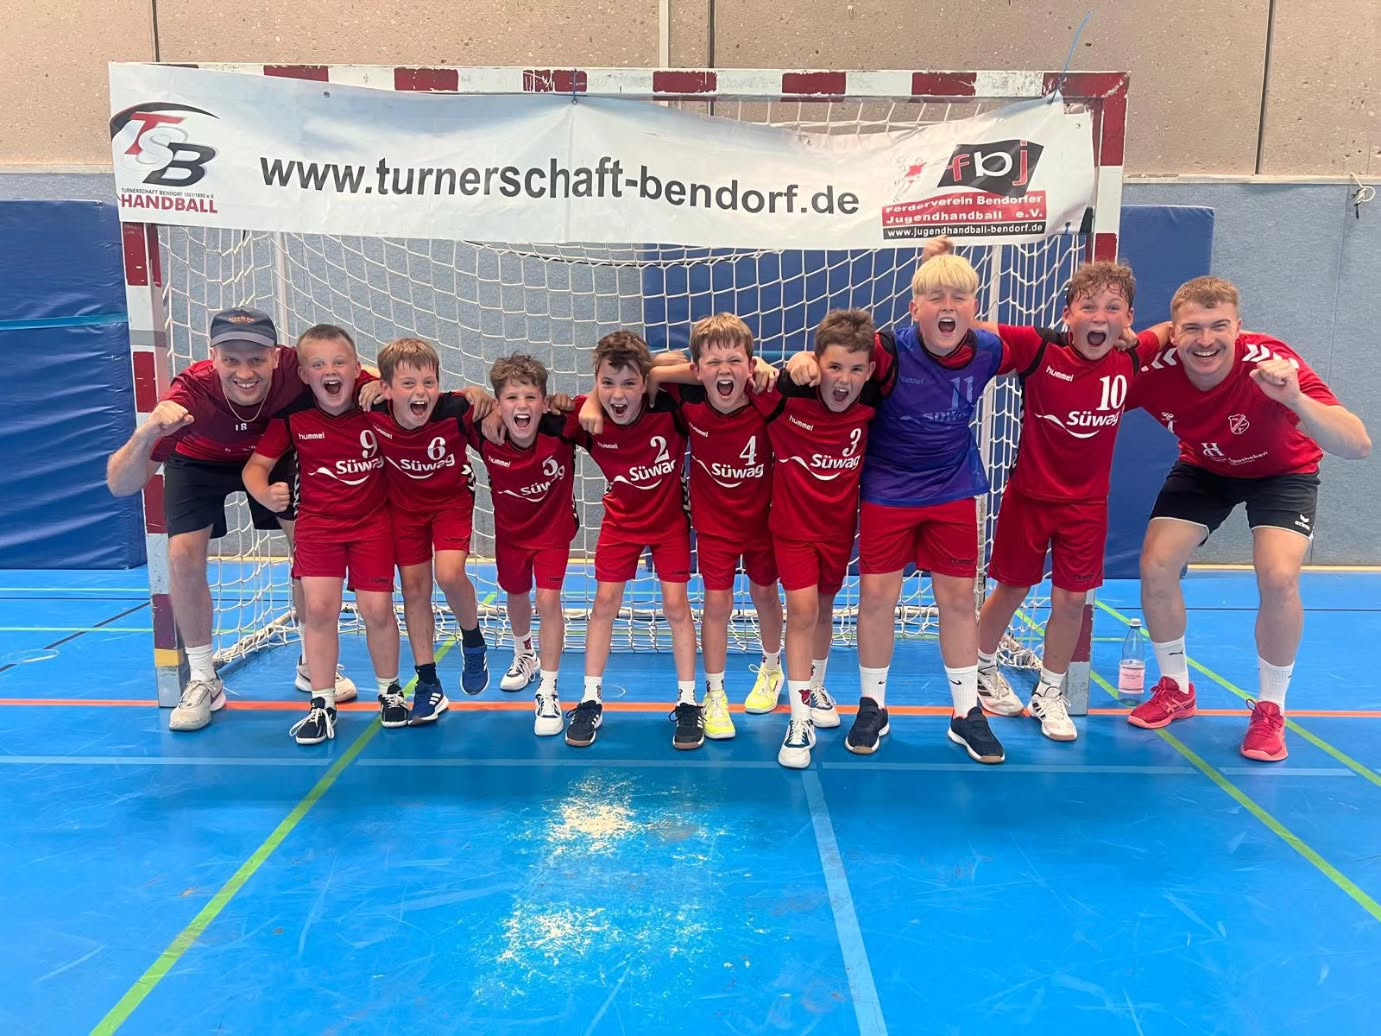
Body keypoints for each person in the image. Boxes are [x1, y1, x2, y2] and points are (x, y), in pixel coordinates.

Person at [1126, 276, 1371, 761]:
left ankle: (1271, 708)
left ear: (1238, 327)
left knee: (1278, 576)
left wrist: (1294, 398)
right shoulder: (1155, 370)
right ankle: (1176, 687)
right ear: (1174, 332)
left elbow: (1357, 444)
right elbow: (1093, 389)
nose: (1206, 340)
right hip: (1206, 466)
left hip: (1283, 472)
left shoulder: (1269, 363)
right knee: (1156, 565)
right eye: (1192, 328)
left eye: (1219, 326)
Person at [788, 253, 1008, 764]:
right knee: (876, 598)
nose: (947, 308)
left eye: (958, 299)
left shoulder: (992, 349)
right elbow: (839, 356)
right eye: (935, 298)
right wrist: (802, 358)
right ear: (914, 308)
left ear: (974, 309)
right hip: (888, 488)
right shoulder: (888, 351)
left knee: (958, 599)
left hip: (952, 487)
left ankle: (966, 711)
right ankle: (873, 705)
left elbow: (1056, 344)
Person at [105, 307, 359, 732]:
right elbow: (120, 484)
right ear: (213, 357)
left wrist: (461, 399)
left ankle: (312, 662)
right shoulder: (190, 397)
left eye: (256, 359)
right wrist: (147, 432)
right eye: (231, 360)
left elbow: (363, 372)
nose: (245, 372)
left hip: (272, 456)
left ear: (277, 357)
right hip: (198, 460)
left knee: (310, 545)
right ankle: (204, 677)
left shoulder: (298, 369)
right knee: (182, 555)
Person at [973, 259, 1159, 741]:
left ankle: (1049, 692)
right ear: (1068, 314)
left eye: (1113, 308)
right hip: (1030, 497)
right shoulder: (1039, 348)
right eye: (1088, 306)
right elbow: (976, 328)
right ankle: (981, 668)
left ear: (1128, 319)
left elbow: (1172, 331)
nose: (1100, 317)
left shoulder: (1132, 358)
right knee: (1012, 589)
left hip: (1088, 506)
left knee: (1073, 599)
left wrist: (1139, 337)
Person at [590, 314, 785, 741]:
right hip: (714, 525)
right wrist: (592, 400)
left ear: (751, 366)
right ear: (697, 371)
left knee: (766, 595)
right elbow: (646, 370)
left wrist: (769, 364)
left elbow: (802, 371)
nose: (724, 371)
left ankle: (772, 669)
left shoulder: (765, 395)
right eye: (712, 363)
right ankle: (715, 694)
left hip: (763, 523)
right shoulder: (687, 400)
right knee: (717, 605)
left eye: (735, 361)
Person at [243, 325, 406, 745]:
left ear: (357, 369)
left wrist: (387, 387)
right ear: (303, 374)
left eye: (339, 362)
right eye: (318, 364)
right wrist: (264, 493)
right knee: (318, 610)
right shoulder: (294, 418)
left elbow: (423, 393)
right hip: (319, 527)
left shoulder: (379, 406)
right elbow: (255, 468)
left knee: (377, 610)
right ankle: (322, 702)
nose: (329, 371)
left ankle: (390, 692)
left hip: (372, 525)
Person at [752, 309, 884, 769]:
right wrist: (780, 364)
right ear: (817, 363)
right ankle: (799, 716)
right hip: (792, 531)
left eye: (855, 369)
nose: (843, 379)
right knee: (803, 610)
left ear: (869, 371)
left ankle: (814, 686)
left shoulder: (872, 405)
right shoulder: (787, 401)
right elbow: (731, 371)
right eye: (834, 367)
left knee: (824, 609)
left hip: (838, 532)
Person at [563, 332, 698, 750]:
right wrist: (589, 401)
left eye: (629, 383)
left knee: (676, 606)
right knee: (604, 603)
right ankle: (590, 698)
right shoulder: (588, 420)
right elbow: (532, 412)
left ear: (646, 383)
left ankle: (689, 700)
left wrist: (654, 371)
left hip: (670, 523)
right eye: (607, 384)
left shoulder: (669, 406)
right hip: (621, 523)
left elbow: (694, 366)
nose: (617, 395)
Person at [370, 338, 494, 724]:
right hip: (404, 509)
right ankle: (428, 683)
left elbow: (496, 417)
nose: (420, 392)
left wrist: (483, 397)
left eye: (429, 382)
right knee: (414, 590)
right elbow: (341, 377)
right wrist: (369, 382)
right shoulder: (373, 411)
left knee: (449, 575)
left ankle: (473, 641)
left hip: (451, 502)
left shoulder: (455, 410)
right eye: (408, 384)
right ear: (387, 389)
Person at [467, 353, 579, 736]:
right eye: (512, 398)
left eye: (531, 397)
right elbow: (452, 404)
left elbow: (599, 407)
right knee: (516, 594)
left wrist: (567, 402)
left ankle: (548, 689)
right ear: (499, 405)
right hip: (511, 536)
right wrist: (478, 398)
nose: (522, 405)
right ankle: (524, 655)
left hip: (553, 534)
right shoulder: (485, 433)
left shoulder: (561, 428)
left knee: (547, 601)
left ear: (544, 403)